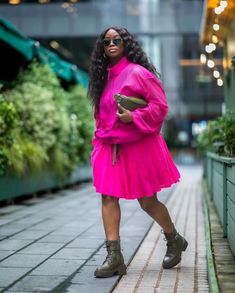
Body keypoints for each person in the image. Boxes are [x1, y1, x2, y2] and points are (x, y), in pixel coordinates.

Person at [88, 27, 188, 278]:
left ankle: (174, 238)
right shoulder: (102, 78)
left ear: (125, 44)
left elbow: (160, 106)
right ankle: (115, 257)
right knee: (108, 197)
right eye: (106, 41)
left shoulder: (138, 73)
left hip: (138, 147)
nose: (111, 44)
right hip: (109, 147)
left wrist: (134, 116)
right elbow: (102, 114)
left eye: (116, 40)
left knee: (147, 201)